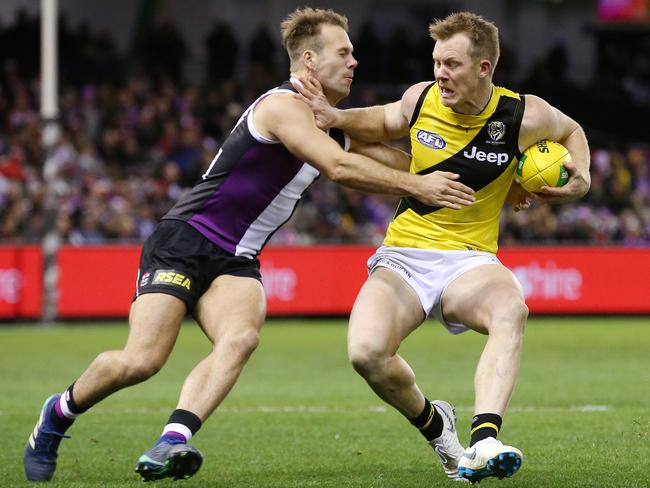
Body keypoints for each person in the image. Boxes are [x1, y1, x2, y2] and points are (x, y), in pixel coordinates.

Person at [23, 8, 476, 483]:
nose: (354, 62)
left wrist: (501, 178)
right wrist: (422, 187)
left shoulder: (331, 123)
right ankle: (57, 414)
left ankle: (171, 442)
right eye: (344, 52)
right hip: (184, 240)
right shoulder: (283, 107)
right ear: (308, 60)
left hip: (237, 259)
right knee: (142, 360)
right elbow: (343, 170)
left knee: (240, 338)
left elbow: (406, 164)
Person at [292, 11, 590, 483]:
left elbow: (571, 130)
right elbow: (385, 118)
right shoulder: (422, 97)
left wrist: (583, 178)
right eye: (436, 62)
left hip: (470, 260)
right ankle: (436, 424)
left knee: (510, 309)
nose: (440, 73)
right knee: (366, 354)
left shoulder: (524, 115)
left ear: (484, 68)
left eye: (451, 64)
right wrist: (335, 117)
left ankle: (485, 438)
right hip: (403, 256)